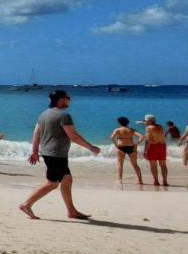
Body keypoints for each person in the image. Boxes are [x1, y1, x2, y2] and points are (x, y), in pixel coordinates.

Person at [19, 90, 98, 220]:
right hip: (56, 154)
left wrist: (34, 151)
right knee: (52, 183)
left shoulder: (43, 114)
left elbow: (35, 134)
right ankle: (26, 204)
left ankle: (71, 211)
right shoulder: (63, 115)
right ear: (61, 100)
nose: (69, 101)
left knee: (67, 180)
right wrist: (91, 147)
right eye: (68, 98)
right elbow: (73, 136)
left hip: (49, 153)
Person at [109, 117, 143, 184]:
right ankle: (139, 180)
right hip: (131, 147)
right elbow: (141, 137)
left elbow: (111, 137)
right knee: (135, 164)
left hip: (121, 147)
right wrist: (136, 144)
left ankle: (120, 180)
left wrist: (116, 144)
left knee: (120, 164)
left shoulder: (117, 130)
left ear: (119, 123)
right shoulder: (131, 130)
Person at [141, 114, 168, 186]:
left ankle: (156, 181)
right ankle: (165, 181)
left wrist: (145, 150)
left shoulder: (148, 128)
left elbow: (148, 140)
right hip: (162, 146)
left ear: (149, 121)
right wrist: (142, 122)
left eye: (145, 121)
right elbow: (153, 126)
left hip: (153, 146)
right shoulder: (160, 127)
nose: (145, 122)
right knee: (163, 165)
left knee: (153, 165)